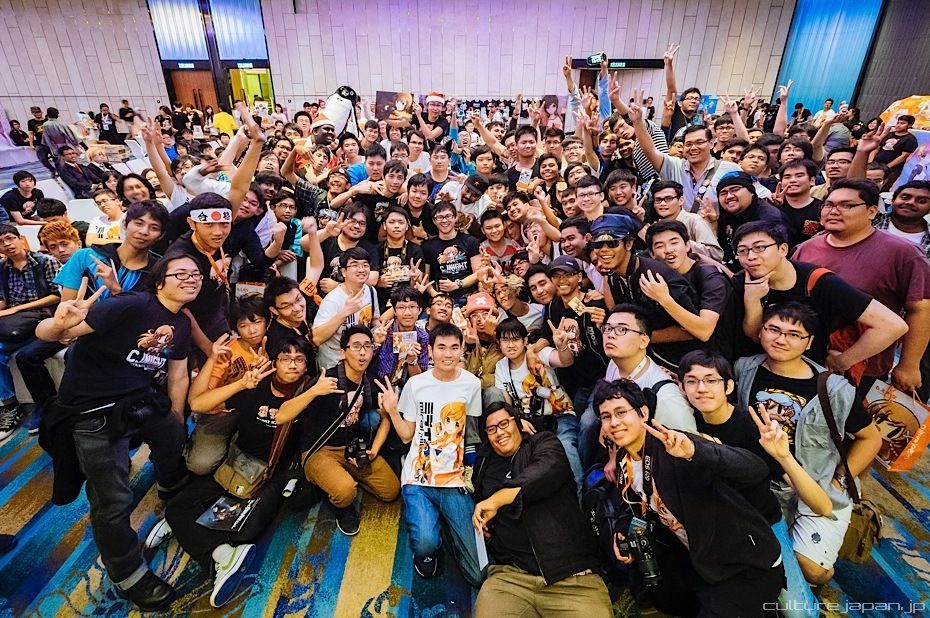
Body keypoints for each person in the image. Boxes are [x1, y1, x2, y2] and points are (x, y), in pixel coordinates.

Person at [35, 256, 200, 610]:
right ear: (160, 282)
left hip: (138, 399)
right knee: (112, 499)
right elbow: (57, 332)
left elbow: (178, 375)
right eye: (181, 274)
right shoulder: (131, 304)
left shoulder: (181, 323)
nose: (191, 279)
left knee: (172, 433)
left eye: (196, 274)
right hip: (92, 410)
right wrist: (57, 323)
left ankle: (173, 489)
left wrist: (175, 415)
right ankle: (128, 575)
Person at [167, 337, 338, 608]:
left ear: (307, 365)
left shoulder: (311, 390)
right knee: (175, 508)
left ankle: (194, 533)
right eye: (285, 358)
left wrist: (314, 392)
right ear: (274, 362)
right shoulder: (254, 384)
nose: (292, 365)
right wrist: (239, 383)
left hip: (274, 471)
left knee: (246, 531)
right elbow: (198, 404)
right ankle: (222, 555)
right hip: (238, 462)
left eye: (299, 359)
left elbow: (282, 415)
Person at [595, 378, 785, 617]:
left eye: (621, 412)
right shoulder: (625, 459)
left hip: (746, 564)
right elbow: (633, 505)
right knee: (666, 596)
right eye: (606, 416)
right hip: (702, 562)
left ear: (643, 413)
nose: (614, 423)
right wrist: (623, 531)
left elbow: (755, 469)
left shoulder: (674, 444)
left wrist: (696, 452)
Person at [735, 302, 882, 585]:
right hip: (761, 483)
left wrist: (840, 479)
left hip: (816, 485)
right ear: (761, 331)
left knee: (812, 570)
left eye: (794, 334)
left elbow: (870, 438)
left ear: (809, 342)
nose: (781, 339)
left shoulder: (832, 389)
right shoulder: (744, 369)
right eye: (773, 329)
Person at [677, 349, 829, 617]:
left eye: (711, 380)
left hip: (763, 526)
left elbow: (823, 507)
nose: (701, 388)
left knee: (798, 612)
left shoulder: (753, 428)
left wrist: (782, 455)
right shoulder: (684, 424)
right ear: (682, 387)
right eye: (692, 381)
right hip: (716, 530)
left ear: (729, 387)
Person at [471, 402, 612, 618]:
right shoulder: (484, 466)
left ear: (518, 424)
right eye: (492, 429)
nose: (499, 432)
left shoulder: (543, 443)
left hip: (572, 577)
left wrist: (499, 499)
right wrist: (489, 531)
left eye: (504, 424)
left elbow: (548, 469)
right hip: (510, 579)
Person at [793, 179, 930, 395]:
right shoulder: (807, 248)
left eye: (847, 205)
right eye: (828, 205)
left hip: (864, 366)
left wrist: (909, 365)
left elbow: (920, 310)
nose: (834, 211)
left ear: (871, 212)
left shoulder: (904, 254)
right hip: (806, 358)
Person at [376, 323, 483, 587]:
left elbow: (470, 433)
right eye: (441, 348)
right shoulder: (416, 384)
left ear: (462, 350)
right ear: (431, 351)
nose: (448, 354)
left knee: (479, 573)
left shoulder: (472, 384)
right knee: (425, 544)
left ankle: (445, 524)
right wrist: (392, 411)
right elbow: (405, 436)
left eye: (454, 348)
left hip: (454, 479)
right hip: (419, 477)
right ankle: (430, 533)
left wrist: (470, 477)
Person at [733, 220, 908, 375]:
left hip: (812, 375)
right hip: (758, 372)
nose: (751, 257)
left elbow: (892, 326)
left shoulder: (820, 282)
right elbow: (755, 336)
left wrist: (843, 361)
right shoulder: (741, 282)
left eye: (760, 248)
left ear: (783, 249)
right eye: (743, 251)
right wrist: (752, 300)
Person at [291, 325, 400, 535]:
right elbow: (285, 414)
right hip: (319, 450)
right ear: (343, 352)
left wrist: (374, 450)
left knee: (390, 490)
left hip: (351, 447)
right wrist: (313, 392)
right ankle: (340, 504)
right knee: (345, 491)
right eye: (356, 346)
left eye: (367, 346)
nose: (362, 352)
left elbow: (385, 419)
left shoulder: (368, 381)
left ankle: (338, 477)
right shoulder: (327, 381)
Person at [589, 213, 701, 367]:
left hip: (684, 363)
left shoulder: (657, 276)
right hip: (646, 361)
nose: (604, 250)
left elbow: (693, 331)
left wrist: (640, 337)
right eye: (598, 245)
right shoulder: (613, 277)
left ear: (629, 244)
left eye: (612, 243)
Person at [185, 294, 269, 475]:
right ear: (236, 328)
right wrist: (241, 384)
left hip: (254, 409)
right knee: (199, 466)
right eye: (243, 326)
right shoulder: (228, 352)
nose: (252, 330)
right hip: (222, 411)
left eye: (257, 322)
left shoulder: (272, 344)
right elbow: (197, 402)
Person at [493, 318, 582, 486]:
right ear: (499, 343)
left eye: (515, 339)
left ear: (525, 340)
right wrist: (518, 421)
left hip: (560, 417)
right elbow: (507, 403)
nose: (511, 345)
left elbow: (566, 361)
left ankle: (581, 498)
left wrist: (562, 346)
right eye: (505, 340)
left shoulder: (538, 354)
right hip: (529, 423)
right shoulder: (501, 367)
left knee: (568, 453)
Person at [0, 224, 62, 440]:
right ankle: (10, 405)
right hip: (16, 325)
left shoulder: (45, 261)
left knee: (27, 357)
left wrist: (18, 309)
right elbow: (3, 300)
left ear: (20, 239)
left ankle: (45, 405)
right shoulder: (2, 267)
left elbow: (57, 295)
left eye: (10, 238)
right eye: (1, 242)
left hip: (44, 319)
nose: (7, 244)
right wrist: (8, 310)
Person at [645, 220, 736, 359]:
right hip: (675, 355)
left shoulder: (711, 278)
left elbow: (704, 331)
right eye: (659, 246)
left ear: (687, 245)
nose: (668, 250)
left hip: (713, 357)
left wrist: (664, 299)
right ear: (652, 254)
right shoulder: (657, 275)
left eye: (674, 242)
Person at [312, 247, 380, 370]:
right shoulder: (333, 299)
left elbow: (374, 320)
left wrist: (378, 329)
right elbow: (317, 338)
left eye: (365, 265)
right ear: (344, 272)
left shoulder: (370, 291)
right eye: (355, 265)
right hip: (334, 362)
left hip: (359, 359)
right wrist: (344, 313)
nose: (361, 269)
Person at [422, 201, 482, 306]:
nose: (444, 220)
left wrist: (457, 285)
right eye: (440, 217)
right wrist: (435, 295)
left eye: (448, 216)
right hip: (443, 299)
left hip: (470, 296)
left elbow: (478, 273)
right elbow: (425, 279)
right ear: (434, 221)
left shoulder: (470, 241)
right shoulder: (427, 246)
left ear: (455, 217)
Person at [648, 180, 722, 261]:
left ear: (681, 200)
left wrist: (683, 244)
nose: (662, 203)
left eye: (668, 198)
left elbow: (715, 253)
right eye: (658, 200)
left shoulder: (694, 220)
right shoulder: (655, 227)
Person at [370, 285, 429, 386]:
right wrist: (375, 344)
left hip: (405, 387)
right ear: (394, 311)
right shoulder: (382, 332)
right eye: (401, 307)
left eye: (412, 307)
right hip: (376, 386)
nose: (407, 313)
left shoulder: (422, 337)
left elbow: (419, 379)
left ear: (419, 310)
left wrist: (412, 360)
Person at [776, 159, 823, 246]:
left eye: (799, 176)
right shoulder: (770, 206)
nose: (792, 180)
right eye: (787, 177)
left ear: (812, 180)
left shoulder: (822, 208)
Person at [873, 114, 917, 179]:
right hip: (875, 163)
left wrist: (887, 167)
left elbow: (903, 156)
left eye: (902, 123)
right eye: (898, 123)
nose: (898, 125)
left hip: (892, 169)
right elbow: (878, 147)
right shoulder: (889, 134)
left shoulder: (910, 139)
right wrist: (871, 159)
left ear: (909, 125)